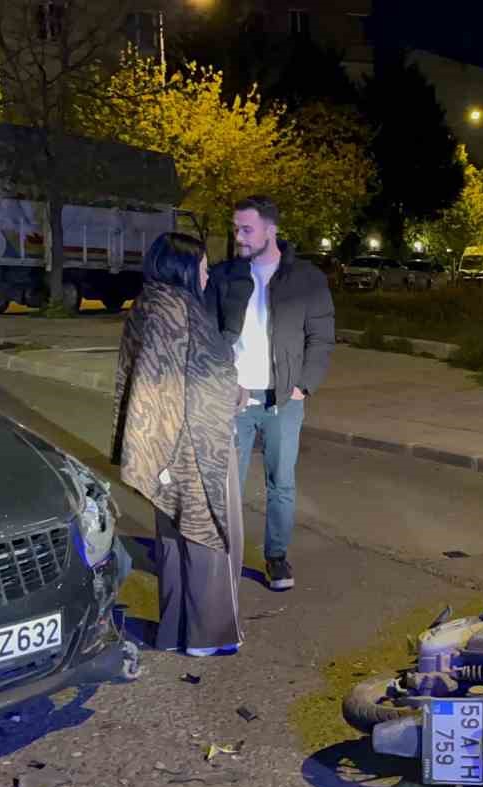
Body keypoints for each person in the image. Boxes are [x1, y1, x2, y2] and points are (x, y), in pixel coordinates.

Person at [113, 233, 246, 657]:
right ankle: (206, 636)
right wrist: (234, 392)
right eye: (203, 268)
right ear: (183, 268)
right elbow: (172, 386)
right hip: (194, 446)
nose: (207, 276)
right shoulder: (174, 309)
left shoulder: (151, 303)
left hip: (169, 445)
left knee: (174, 540)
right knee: (208, 539)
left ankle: (174, 631)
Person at [206, 196, 335, 591]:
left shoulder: (306, 279)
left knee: (282, 482)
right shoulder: (225, 276)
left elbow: (321, 337)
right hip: (234, 399)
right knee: (227, 484)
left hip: (283, 399)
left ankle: (276, 557)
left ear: (271, 230)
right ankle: (224, 558)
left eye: (246, 229)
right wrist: (224, 380)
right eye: (236, 229)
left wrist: (303, 385)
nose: (239, 237)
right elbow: (207, 334)